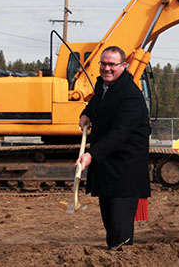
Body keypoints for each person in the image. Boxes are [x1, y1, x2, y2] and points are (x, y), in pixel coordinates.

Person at [76, 46, 151, 249]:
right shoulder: (103, 85)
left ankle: (123, 257)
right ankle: (113, 254)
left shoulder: (131, 96)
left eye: (112, 64)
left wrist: (91, 154)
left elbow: (119, 134)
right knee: (109, 221)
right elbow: (96, 104)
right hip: (107, 166)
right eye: (104, 63)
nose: (106, 68)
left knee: (120, 225)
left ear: (123, 66)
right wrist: (86, 113)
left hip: (125, 169)